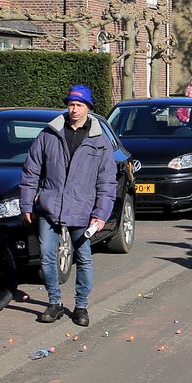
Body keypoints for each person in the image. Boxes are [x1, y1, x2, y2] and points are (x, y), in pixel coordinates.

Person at [18, 84, 120, 327]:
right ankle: (54, 303)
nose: (74, 109)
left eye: (79, 105)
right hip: (50, 206)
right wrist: (27, 204)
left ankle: (81, 306)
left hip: (83, 209)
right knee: (46, 257)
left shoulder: (100, 141)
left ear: (88, 108)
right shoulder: (49, 134)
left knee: (83, 258)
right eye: (71, 105)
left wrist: (101, 214)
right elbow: (31, 171)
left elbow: (107, 181)